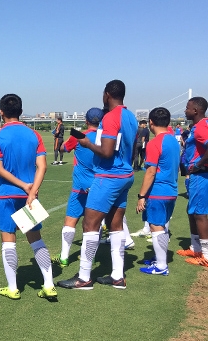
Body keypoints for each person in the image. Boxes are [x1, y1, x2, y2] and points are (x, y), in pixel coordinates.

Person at [57, 79, 138, 290]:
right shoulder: (131, 116)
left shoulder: (111, 117)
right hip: (125, 175)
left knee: (90, 226)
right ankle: (118, 275)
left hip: (109, 177)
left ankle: (84, 278)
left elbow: (107, 151)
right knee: (116, 226)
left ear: (107, 94)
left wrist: (86, 143)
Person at [0, 94, 57, 300]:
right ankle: (49, 284)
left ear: (1, 112)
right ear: (20, 110)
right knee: (36, 241)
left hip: (5, 197)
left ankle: (13, 288)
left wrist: (22, 185)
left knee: (8, 242)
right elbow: (42, 166)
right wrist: (32, 190)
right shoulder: (33, 135)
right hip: (29, 197)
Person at [52, 108, 104, 268]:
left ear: (86, 121)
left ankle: (64, 257)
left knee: (70, 221)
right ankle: (90, 255)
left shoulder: (79, 136)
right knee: (95, 223)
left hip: (80, 186)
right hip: (99, 186)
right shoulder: (106, 137)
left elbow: (63, 148)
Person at [136, 107, 179, 275]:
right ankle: (160, 260)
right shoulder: (173, 140)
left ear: (151, 122)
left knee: (156, 227)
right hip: (171, 190)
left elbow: (151, 171)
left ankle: (161, 266)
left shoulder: (155, 143)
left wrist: (141, 196)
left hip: (158, 191)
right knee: (161, 225)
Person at [176, 97, 208, 265]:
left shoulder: (201, 127)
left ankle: (206, 255)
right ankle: (196, 248)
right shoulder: (200, 125)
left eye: (187, 108)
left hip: (200, 175)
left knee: (200, 213)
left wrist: (197, 165)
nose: (185, 111)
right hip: (199, 175)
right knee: (192, 211)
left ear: (195, 111)